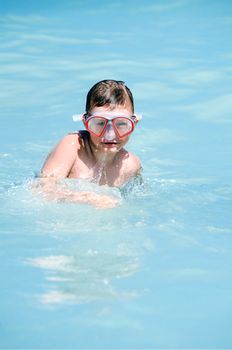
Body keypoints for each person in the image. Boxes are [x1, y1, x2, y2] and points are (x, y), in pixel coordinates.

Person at [39, 80, 141, 208]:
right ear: (85, 123)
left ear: (134, 124)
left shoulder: (131, 166)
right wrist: (88, 198)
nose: (110, 135)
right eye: (99, 123)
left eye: (121, 124)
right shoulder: (73, 146)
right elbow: (42, 188)